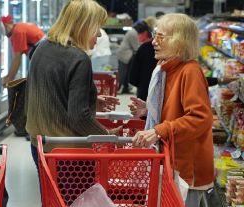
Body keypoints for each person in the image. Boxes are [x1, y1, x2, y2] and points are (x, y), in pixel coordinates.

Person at [129, 13, 214, 207]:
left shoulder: (190, 71)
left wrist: (160, 130)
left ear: (179, 41)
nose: (153, 42)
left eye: (160, 37)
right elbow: (175, 110)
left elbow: (200, 118)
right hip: (172, 161)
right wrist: (148, 111)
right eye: (154, 35)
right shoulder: (167, 68)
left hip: (186, 168)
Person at [26, 0, 121, 169]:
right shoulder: (78, 58)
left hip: (40, 145)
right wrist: (106, 135)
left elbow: (51, 92)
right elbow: (79, 118)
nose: (99, 34)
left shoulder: (42, 47)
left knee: (50, 195)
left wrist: (91, 100)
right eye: (96, 27)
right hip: (69, 154)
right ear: (83, 26)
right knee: (80, 197)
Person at [0, 15, 45, 87]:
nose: (2, 32)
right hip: (42, 54)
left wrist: (9, 80)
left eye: (0, 29)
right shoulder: (19, 27)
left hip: (43, 56)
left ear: (6, 26)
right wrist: (8, 76)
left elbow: (17, 59)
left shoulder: (17, 32)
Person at [116, 20, 150, 94]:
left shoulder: (133, 31)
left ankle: (125, 89)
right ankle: (118, 89)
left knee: (127, 73)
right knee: (122, 73)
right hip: (124, 55)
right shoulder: (133, 33)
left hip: (127, 54)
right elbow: (136, 47)